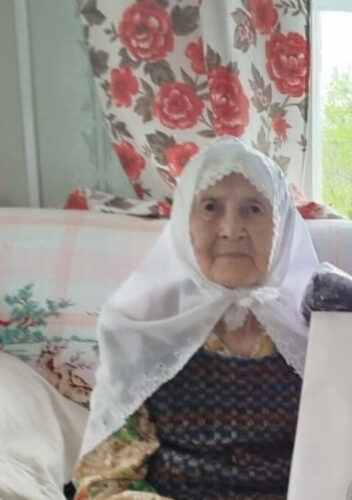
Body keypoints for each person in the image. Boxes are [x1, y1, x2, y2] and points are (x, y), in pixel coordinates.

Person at [72, 137, 318, 499]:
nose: (231, 229)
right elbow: (107, 482)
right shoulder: (142, 326)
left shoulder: (314, 331)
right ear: (183, 223)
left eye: (253, 209)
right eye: (209, 207)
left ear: (281, 225)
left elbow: (342, 464)